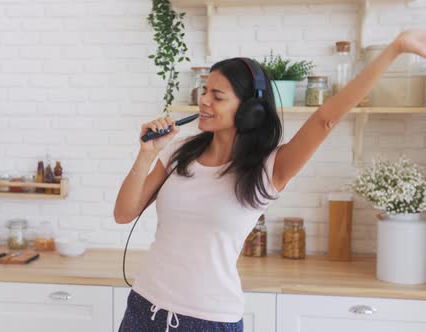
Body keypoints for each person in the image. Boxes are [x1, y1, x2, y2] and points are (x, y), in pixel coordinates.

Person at [113, 29, 426, 332]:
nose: (204, 100)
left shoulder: (270, 168)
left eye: (217, 96)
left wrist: (395, 49)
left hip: (208, 320)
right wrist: (147, 154)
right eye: (204, 90)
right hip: (144, 307)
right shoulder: (180, 151)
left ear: (250, 110)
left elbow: (325, 119)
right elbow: (124, 213)